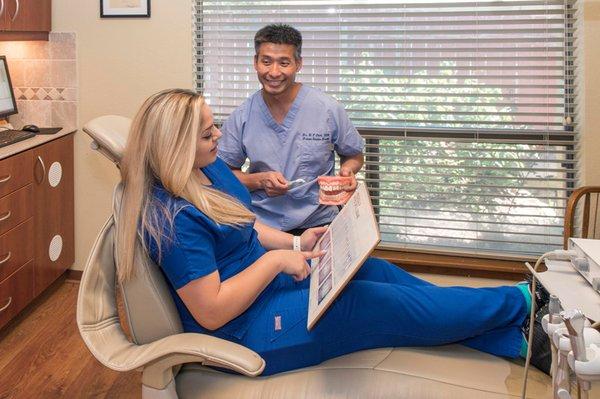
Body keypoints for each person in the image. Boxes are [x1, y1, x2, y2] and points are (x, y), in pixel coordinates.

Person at [117, 88, 550, 376]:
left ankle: (519, 340)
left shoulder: (208, 170)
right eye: (207, 132)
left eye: (214, 125)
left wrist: (295, 242)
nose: (218, 135)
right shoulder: (172, 221)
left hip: (270, 283)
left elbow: (246, 226)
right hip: (246, 328)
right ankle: (523, 300)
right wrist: (274, 262)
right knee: (373, 302)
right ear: (174, 146)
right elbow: (211, 311)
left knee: (379, 273)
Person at [218, 24, 364, 234]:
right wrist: (258, 180)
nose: (274, 72)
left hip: (319, 223)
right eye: (266, 61)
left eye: (284, 63)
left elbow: (355, 156)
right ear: (255, 62)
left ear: (298, 64)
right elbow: (223, 174)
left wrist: (348, 170)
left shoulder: (327, 109)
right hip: (262, 227)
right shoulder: (242, 115)